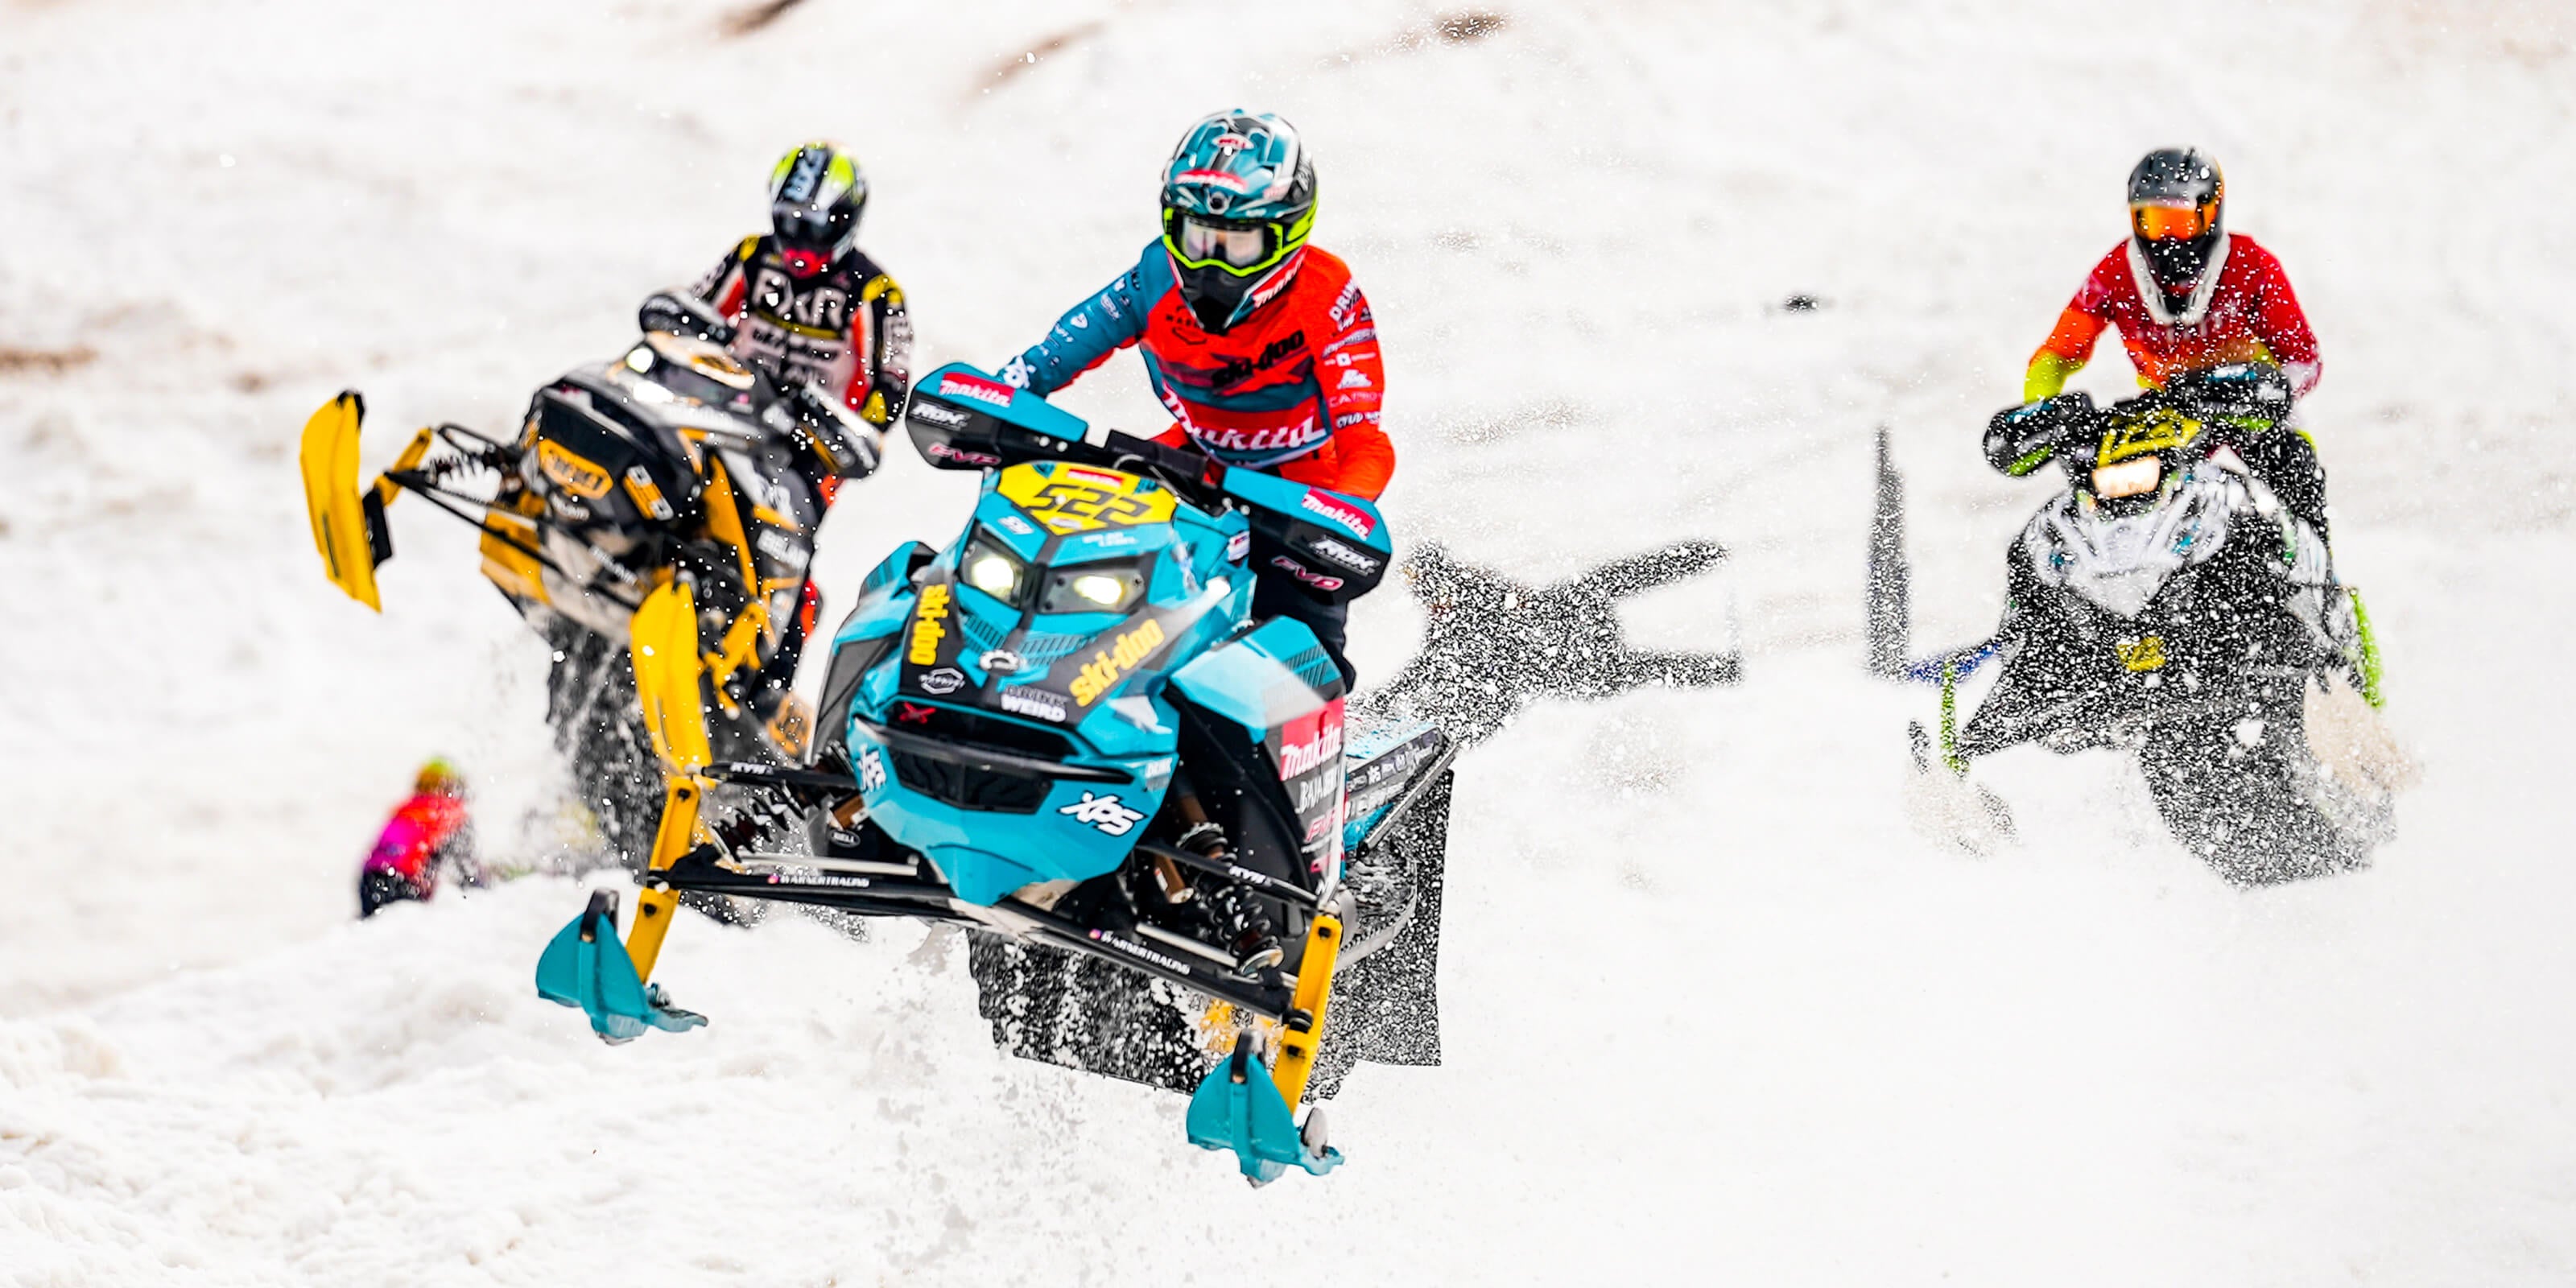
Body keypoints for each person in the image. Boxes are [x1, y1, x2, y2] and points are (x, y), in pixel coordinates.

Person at [997, 109, 1390, 683]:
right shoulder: (1155, 274)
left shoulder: (1328, 296)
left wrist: (1342, 516)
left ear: (1287, 235)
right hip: (1188, 469)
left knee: (1307, 666)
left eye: (1236, 246)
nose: (1209, 263)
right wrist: (1000, 397)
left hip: (1300, 499)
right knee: (1062, 581)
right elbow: (1052, 356)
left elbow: (1367, 445)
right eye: (1197, 236)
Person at [2021, 147, 2331, 537]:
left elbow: (2304, 358)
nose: (2166, 239)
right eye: (2151, 221)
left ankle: (2321, 583)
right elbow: (2058, 352)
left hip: (2251, 408)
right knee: (2113, 501)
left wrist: (2272, 390)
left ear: (2211, 212)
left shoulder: (2253, 265)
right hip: (2165, 415)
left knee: (2296, 474)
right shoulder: (2115, 272)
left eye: (2179, 222)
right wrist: (2042, 408)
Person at [687, 141, 914, 468]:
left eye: (816, 227)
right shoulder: (753, 254)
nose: (800, 242)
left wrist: (853, 434)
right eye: (790, 223)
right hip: (725, 412)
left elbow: (892, 382)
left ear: (846, 219)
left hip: (808, 450)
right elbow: (696, 312)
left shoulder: (875, 290)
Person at [358, 758, 481, 918]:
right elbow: (465, 866)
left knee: (377, 924)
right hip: (405, 882)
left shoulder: (407, 808)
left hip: (370, 877)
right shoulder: (453, 814)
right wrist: (480, 885)